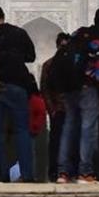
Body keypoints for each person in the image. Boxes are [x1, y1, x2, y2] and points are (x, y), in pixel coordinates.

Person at [58, 9, 99, 183]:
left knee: (69, 127)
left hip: (68, 86)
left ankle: (63, 173)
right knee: (87, 129)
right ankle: (85, 172)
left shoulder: (78, 34)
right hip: (87, 88)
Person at [0, 4, 36, 183]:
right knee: (22, 130)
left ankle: (2, 173)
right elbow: (31, 56)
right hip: (18, 84)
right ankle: (27, 174)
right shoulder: (19, 32)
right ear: (3, 15)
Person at [39, 32, 70, 182]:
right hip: (58, 110)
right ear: (57, 46)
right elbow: (44, 89)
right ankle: (54, 172)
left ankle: (66, 171)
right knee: (56, 141)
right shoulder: (49, 65)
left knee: (69, 141)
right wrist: (52, 109)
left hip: (69, 110)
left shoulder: (72, 63)